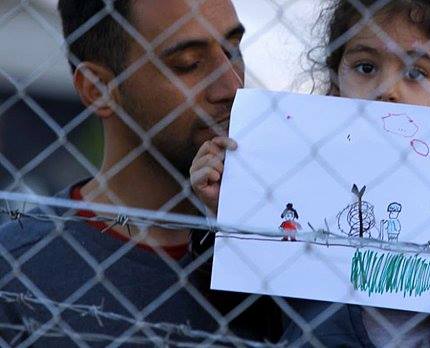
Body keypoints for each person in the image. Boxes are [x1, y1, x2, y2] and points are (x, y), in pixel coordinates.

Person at [192, 0, 430, 347]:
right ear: (337, 80)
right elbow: (235, 307)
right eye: (366, 67)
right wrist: (225, 212)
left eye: (415, 72)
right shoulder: (295, 172)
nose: (387, 90)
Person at [0, 0, 282, 345]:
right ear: (98, 88)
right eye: (188, 64)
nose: (231, 86)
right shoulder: (17, 272)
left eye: (234, 50)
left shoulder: (293, 249)